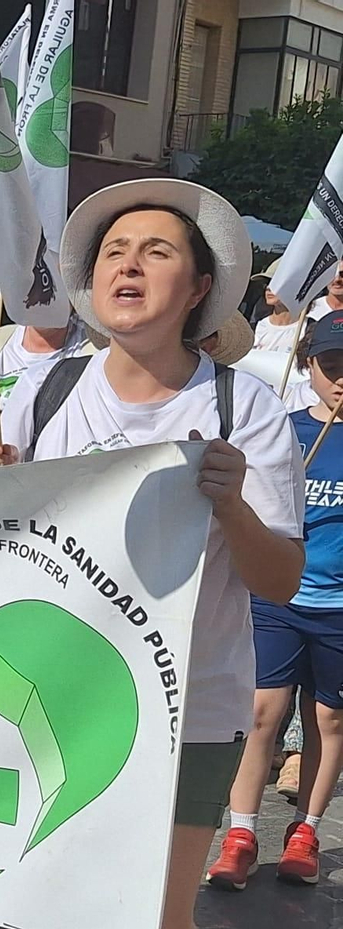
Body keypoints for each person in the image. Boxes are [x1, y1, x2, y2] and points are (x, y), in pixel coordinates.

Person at [0, 178, 303, 929]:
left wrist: (232, 507)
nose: (129, 265)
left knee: (157, 912)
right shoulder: (44, 391)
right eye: (114, 250)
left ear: (197, 287)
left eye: (156, 252)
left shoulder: (242, 406)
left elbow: (279, 578)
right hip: (51, 699)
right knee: (58, 897)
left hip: (193, 709)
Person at [208, 311, 343, 890]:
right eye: (331, 365)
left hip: (338, 608)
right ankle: (240, 835)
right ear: (309, 366)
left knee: (328, 718)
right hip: (278, 597)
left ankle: (305, 831)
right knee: (261, 711)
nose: (341, 378)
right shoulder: (283, 429)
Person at [252, 259, 303, 353]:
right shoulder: (259, 326)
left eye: (275, 282)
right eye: (266, 283)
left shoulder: (308, 328)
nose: (268, 288)